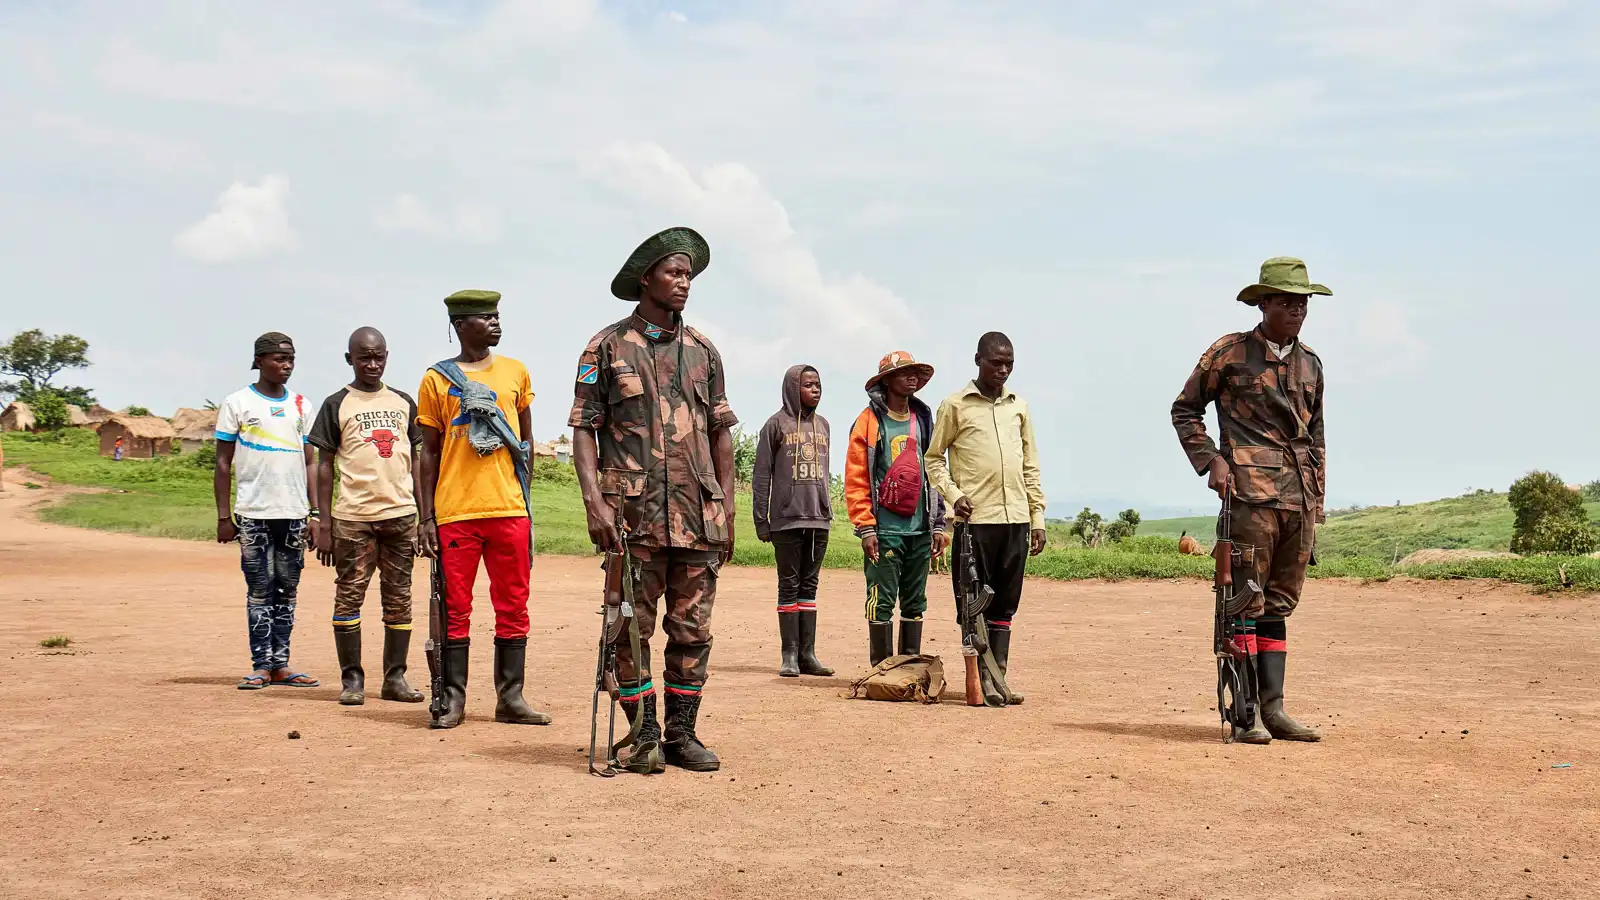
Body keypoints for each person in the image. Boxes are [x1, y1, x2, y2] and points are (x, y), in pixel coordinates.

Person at [572, 226, 737, 774]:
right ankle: (642, 734)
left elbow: (720, 432)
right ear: (646, 279)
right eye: (674, 273)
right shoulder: (606, 347)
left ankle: (680, 736)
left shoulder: (705, 353)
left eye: (688, 274)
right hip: (632, 518)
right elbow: (584, 430)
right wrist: (595, 503)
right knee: (627, 630)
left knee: (692, 631)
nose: (684, 283)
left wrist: (727, 507)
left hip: (696, 516)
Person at [1171, 256, 1330, 744]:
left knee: (1279, 605)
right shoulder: (1230, 354)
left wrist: (1316, 504)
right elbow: (1185, 410)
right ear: (1262, 304)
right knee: (1244, 600)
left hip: (1296, 501)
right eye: (1285, 301)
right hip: (1248, 498)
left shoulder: (1310, 364)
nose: (1296, 310)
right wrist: (1212, 461)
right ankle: (1244, 714)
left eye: (1302, 302)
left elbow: (1317, 435)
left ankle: (1274, 708)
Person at [415, 290, 550, 729]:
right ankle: (452, 699)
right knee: (455, 606)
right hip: (455, 511)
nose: (495, 323)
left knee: (514, 603)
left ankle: (510, 698)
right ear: (459, 325)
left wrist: (525, 503)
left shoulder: (516, 372)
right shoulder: (436, 380)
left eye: (497, 316)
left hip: (508, 507)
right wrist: (426, 517)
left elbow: (524, 445)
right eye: (484, 317)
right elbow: (428, 454)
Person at [924, 332, 1046, 704]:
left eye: (1009, 362)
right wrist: (955, 496)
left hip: (1016, 520)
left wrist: (1037, 516)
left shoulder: (1019, 407)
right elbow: (933, 459)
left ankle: (999, 680)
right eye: (996, 362)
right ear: (978, 359)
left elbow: (1030, 466)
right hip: (975, 522)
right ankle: (981, 683)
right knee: (974, 604)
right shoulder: (955, 406)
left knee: (1006, 604)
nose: (1003, 369)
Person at [309, 327, 425, 706]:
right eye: (363, 357)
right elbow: (323, 466)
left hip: (400, 516)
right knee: (349, 596)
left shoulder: (405, 403)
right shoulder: (335, 404)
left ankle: (395, 678)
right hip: (352, 519)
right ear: (350, 360)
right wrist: (322, 523)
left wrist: (425, 519)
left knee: (399, 598)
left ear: (387, 356)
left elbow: (420, 463)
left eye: (378, 356)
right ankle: (352, 680)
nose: (372, 364)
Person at [215, 332, 319, 690]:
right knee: (259, 589)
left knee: (287, 590)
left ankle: (281, 664)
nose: (286, 365)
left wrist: (316, 513)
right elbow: (223, 463)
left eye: (290, 358)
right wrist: (224, 516)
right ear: (259, 360)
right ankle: (260, 664)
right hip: (254, 512)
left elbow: (310, 461)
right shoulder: (238, 403)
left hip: (293, 512)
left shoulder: (302, 405)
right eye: (278, 358)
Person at [844, 351, 949, 666]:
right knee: (881, 600)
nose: (912, 377)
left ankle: (909, 671)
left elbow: (936, 472)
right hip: (885, 530)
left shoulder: (924, 420)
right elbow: (856, 476)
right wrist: (865, 526)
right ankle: (881, 671)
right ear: (887, 381)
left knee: (916, 602)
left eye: (915, 372)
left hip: (920, 529)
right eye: (905, 373)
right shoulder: (869, 421)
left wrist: (939, 524)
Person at [752, 365, 834, 678]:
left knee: (809, 588)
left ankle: (807, 654)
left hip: (819, 519)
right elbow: (761, 476)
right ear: (791, 388)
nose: (816, 390)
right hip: (785, 520)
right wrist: (762, 520)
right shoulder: (775, 425)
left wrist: (827, 508)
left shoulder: (824, 425)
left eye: (818, 384)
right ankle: (788, 655)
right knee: (788, 585)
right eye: (808, 385)